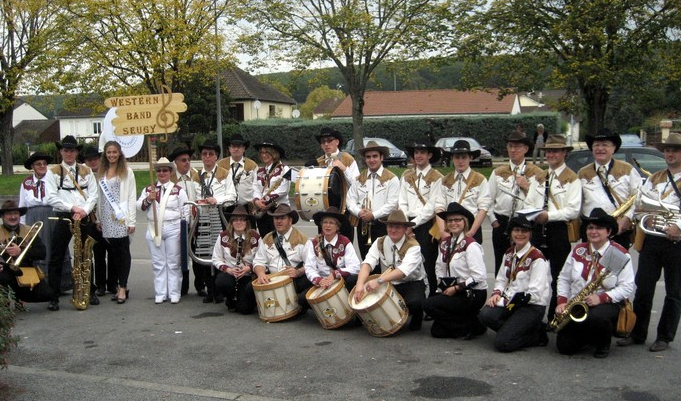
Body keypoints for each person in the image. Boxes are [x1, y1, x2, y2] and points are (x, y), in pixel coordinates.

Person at [618, 132, 681, 352]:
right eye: (667, 150)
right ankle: (638, 333)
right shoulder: (655, 177)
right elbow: (640, 202)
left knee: (674, 292)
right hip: (652, 239)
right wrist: (631, 217)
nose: (670, 154)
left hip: (676, 243)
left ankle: (664, 336)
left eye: (675, 150)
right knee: (643, 287)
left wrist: (679, 226)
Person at [554, 208, 635, 358]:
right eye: (590, 227)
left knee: (596, 317)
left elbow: (626, 287)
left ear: (609, 231)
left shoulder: (618, 253)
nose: (593, 231)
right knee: (564, 347)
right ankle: (589, 335)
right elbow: (564, 278)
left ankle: (603, 343)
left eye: (599, 228)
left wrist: (601, 298)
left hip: (607, 304)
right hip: (578, 303)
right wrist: (562, 301)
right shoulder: (578, 250)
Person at [478, 215, 551, 352]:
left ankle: (537, 335)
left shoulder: (537, 257)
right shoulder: (509, 254)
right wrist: (496, 294)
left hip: (530, 306)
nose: (520, 234)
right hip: (512, 302)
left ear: (530, 233)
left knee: (503, 344)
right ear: (511, 233)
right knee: (485, 315)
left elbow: (534, 294)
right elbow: (501, 279)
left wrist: (506, 302)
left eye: (524, 231)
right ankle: (515, 329)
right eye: (516, 230)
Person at [44, 135, 99, 311]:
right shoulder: (52, 172)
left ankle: (89, 291)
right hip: (64, 216)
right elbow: (51, 197)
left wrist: (84, 210)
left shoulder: (86, 171)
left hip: (82, 216)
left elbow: (94, 194)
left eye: (72, 150)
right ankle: (53, 296)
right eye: (66, 150)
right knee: (57, 257)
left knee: (85, 255)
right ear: (61, 152)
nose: (69, 153)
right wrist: (72, 207)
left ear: (77, 152)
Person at [532, 135, 582, 321]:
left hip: (559, 230)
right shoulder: (539, 176)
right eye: (549, 151)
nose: (551, 154)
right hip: (538, 229)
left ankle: (556, 315)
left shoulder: (572, 179)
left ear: (564, 153)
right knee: (534, 274)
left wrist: (549, 216)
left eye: (555, 151)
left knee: (559, 275)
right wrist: (534, 214)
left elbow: (573, 210)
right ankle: (533, 315)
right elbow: (529, 201)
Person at [422, 202, 488, 339]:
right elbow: (439, 267)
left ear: (464, 222)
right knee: (437, 332)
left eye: (457, 220)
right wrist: (443, 287)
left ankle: (463, 329)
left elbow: (479, 276)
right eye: (450, 220)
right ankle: (472, 323)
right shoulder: (445, 244)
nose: (453, 223)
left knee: (428, 304)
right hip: (454, 290)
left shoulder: (471, 245)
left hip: (472, 292)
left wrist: (457, 288)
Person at [354, 210, 427, 331]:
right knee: (362, 292)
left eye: (397, 227)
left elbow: (403, 271)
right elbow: (367, 264)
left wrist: (379, 281)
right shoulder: (379, 242)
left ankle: (416, 314)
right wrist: (359, 285)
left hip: (411, 283)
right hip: (389, 283)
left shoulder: (414, 246)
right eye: (390, 226)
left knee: (414, 303)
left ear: (405, 229)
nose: (393, 230)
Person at [487, 131, 545, 275]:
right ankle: (500, 294)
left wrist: (526, 187)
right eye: (510, 146)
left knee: (526, 263)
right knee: (501, 264)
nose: (513, 150)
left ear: (526, 149)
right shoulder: (498, 172)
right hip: (502, 222)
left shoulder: (537, 172)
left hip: (526, 222)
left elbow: (539, 202)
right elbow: (487, 199)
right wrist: (494, 221)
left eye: (517, 147)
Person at [577, 128, 642, 249]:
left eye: (605, 145)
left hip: (619, 229)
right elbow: (577, 202)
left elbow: (639, 198)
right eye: (596, 145)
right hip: (591, 230)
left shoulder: (628, 169)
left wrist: (627, 219)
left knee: (617, 266)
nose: (600, 148)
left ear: (613, 148)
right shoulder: (582, 173)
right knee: (591, 266)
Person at [137, 157, 188, 304]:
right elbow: (139, 206)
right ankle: (160, 292)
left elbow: (185, 211)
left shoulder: (178, 190)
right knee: (158, 262)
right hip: (154, 227)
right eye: (159, 170)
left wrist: (183, 230)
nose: (162, 173)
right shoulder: (148, 189)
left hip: (173, 227)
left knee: (173, 262)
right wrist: (148, 199)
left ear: (170, 171)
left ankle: (174, 292)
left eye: (165, 170)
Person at [244, 204, 311, 314]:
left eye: (282, 218)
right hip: (271, 277)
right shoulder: (267, 238)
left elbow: (311, 265)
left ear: (290, 220)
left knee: (308, 282)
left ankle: (298, 305)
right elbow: (259, 261)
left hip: (293, 279)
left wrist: (298, 272)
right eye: (276, 218)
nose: (278, 221)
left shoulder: (302, 239)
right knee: (248, 292)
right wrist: (261, 274)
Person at [192, 139, 236, 304]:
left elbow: (232, 197)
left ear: (216, 156)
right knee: (203, 254)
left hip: (219, 217)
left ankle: (218, 290)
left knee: (219, 254)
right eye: (204, 154)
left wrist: (216, 200)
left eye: (211, 154)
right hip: (201, 219)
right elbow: (192, 198)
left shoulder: (225, 173)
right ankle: (209, 289)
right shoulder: (196, 176)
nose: (207, 157)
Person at [399, 139, 443, 299]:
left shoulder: (437, 177)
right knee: (406, 261)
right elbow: (402, 200)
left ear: (429, 155)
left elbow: (432, 207)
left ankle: (432, 295)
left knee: (428, 262)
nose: (418, 156)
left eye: (422, 152)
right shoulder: (406, 176)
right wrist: (404, 223)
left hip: (426, 225)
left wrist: (413, 224)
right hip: (406, 223)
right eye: (416, 152)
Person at [95, 141, 136, 304]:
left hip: (121, 216)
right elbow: (99, 196)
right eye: (109, 152)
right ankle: (121, 285)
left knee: (123, 252)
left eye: (114, 152)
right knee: (114, 253)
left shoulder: (127, 171)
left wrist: (132, 220)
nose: (111, 155)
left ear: (120, 153)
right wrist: (98, 218)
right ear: (105, 154)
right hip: (106, 216)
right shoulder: (101, 171)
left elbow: (132, 196)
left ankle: (122, 287)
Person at [346, 140, 400, 259]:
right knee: (366, 260)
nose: (372, 160)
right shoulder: (358, 179)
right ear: (365, 160)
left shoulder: (392, 179)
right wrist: (359, 212)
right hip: (363, 225)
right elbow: (350, 200)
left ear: (382, 157)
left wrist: (374, 215)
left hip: (383, 225)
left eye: (375, 156)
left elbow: (392, 204)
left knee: (385, 260)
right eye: (368, 157)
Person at [301, 206, 361, 309]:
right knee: (302, 300)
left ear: (337, 227)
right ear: (321, 225)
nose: (328, 226)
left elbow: (355, 267)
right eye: (325, 222)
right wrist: (319, 280)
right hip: (322, 282)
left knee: (353, 279)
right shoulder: (313, 242)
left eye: (332, 223)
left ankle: (350, 306)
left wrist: (335, 274)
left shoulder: (345, 242)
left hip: (341, 280)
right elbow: (309, 267)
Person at [433, 139, 491, 244]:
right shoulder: (444, 180)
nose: (460, 161)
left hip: (471, 227)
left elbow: (483, 207)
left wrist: (472, 232)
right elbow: (439, 206)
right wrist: (442, 232)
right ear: (452, 158)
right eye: (457, 157)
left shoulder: (480, 179)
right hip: (450, 228)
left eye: (464, 157)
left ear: (470, 158)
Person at [0, 200, 53, 303]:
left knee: (47, 294)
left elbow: (42, 253)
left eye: (16, 213)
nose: (13, 217)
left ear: (19, 215)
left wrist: (20, 251)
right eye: (9, 214)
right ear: (2, 216)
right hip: (4, 270)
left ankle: (19, 297)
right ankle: (6, 299)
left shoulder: (30, 230)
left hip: (25, 270)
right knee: (3, 278)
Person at [212, 205, 261, 314]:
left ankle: (244, 299)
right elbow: (216, 259)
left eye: (242, 220)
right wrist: (228, 269)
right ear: (232, 222)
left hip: (247, 274)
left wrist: (249, 268)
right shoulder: (223, 236)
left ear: (246, 222)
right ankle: (230, 298)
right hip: (230, 273)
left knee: (245, 310)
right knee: (222, 282)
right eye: (236, 220)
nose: (239, 222)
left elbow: (262, 259)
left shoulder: (255, 237)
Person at [81, 145, 115, 297]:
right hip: (92, 219)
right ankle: (100, 285)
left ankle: (113, 283)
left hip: (108, 217)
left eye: (95, 159)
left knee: (113, 252)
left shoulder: (107, 175)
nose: (93, 162)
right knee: (98, 253)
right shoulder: (84, 177)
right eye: (89, 160)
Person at [314, 127, 359, 241]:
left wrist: (344, 168)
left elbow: (357, 185)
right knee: (324, 243)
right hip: (324, 208)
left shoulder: (347, 159)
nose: (326, 144)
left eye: (329, 140)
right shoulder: (318, 162)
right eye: (323, 142)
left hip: (343, 207)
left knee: (345, 241)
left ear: (337, 142)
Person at [19, 152, 59, 276]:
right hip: (33, 218)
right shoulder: (26, 183)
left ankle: (56, 280)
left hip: (51, 216)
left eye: (44, 164)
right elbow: (22, 205)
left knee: (53, 246)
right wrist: (22, 226)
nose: (42, 166)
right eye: (38, 164)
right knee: (36, 246)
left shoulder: (54, 180)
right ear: (32, 166)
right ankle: (38, 277)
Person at [168, 145, 198, 296]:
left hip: (194, 222)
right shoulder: (171, 180)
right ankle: (181, 286)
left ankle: (200, 285)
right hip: (177, 223)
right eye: (183, 160)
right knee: (179, 255)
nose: (187, 163)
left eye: (188, 160)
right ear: (176, 162)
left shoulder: (195, 176)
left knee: (196, 252)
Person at [252, 142, 291, 237]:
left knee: (280, 239)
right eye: (262, 153)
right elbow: (255, 188)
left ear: (274, 154)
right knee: (266, 239)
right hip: (262, 211)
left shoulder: (285, 169)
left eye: (267, 152)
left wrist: (265, 201)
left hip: (279, 210)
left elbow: (283, 189)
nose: (264, 155)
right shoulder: (259, 171)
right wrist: (257, 201)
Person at [218, 133, 258, 209]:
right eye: (233, 146)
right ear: (229, 148)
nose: (236, 149)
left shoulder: (252, 165)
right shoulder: (221, 165)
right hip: (225, 206)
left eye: (239, 146)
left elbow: (257, 187)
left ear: (244, 149)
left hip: (246, 207)